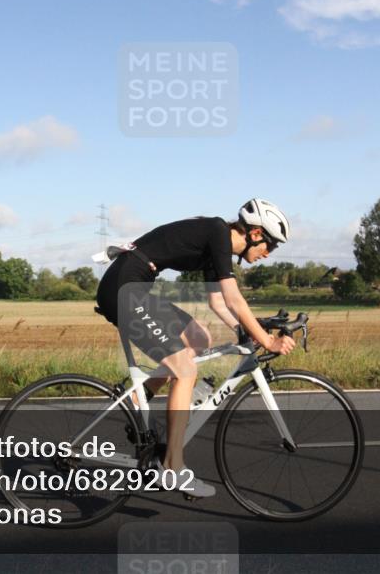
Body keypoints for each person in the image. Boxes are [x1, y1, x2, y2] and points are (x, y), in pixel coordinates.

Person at [94, 198, 296, 498]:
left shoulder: (219, 245)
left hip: (133, 284)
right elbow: (233, 299)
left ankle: (141, 394)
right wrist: (267, 341)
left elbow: (217, 302)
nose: (267, 254)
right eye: (270, 245)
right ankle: (172, 469)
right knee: (185, 371)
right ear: (255, 234)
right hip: (125, 287)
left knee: (199, 339)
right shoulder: (217, 232)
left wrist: (245, 331)